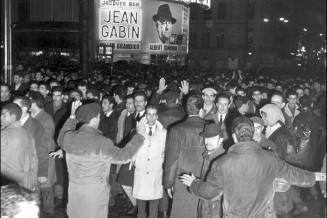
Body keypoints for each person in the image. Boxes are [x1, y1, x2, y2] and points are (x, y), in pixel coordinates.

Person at [179, 117, 326, 218]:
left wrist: (193, 183)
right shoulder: (270, 157)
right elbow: (292, 173)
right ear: (252, 134)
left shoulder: (222, 163)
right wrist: (313, 176)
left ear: (234, 137)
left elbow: (209, 193)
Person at [55, 101, 146, 218]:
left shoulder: (69, 137)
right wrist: (139, 136)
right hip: (95, 194)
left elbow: (60, 137)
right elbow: (124, 156)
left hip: (74, 192)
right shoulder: (102, 142)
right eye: (98, 117)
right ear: (94, 120)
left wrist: (72, 116)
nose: (99, 119)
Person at [164, 94, 207, 218]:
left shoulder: (177, 129)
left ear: (186, 110)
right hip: (205, 179)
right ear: (201, 110)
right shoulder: (209, 127)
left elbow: (172, 160)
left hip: (183, 178)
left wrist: (168, 183)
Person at [132, 105, 167, 218]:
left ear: (157, 116)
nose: (151, 117)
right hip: (141, 171)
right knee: (140, 205)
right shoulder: (138, 131)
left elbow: (166, 151)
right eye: (149, 114)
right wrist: (135, 161)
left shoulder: (163, 133)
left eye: (153, 115)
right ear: (145, 115)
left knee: (154, 204)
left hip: (155, 171)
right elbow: (132, 149)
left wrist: (162, 161)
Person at [1, 103, 38, 191]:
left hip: (5, 184)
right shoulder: (28, 136)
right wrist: (32, 182)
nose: (1, 118)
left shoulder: (3, 135)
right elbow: (34, 161)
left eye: (4, 115)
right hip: (24, 184)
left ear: (13, 117)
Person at [197, 123, 225, 218]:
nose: (208, 141)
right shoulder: (208, 155)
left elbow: (214, 192)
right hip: (205, 205)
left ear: (220, 140)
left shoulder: (220, 159)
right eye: (206, 138)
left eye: (213, 138)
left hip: (214, 210)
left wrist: (193, 183)